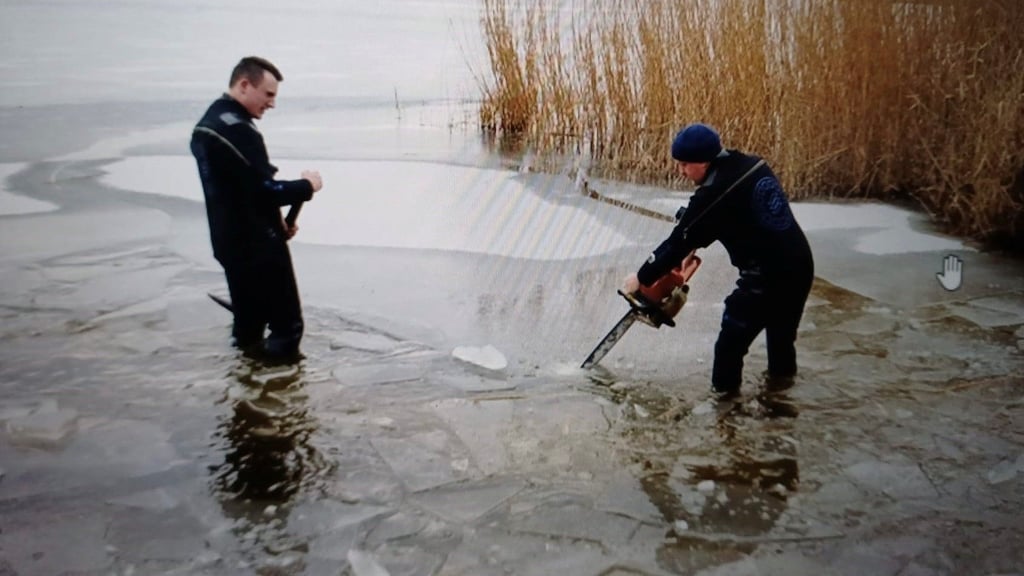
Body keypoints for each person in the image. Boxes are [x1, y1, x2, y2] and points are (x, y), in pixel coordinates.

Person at [624, 123, 814, 399]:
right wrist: (694, 232)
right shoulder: (752, 164)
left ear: (704, 161)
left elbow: (677, 242)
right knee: (781, 342)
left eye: (685, 164)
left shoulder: (715, 194)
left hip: (766, 278)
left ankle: (724, 410)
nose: (681, 171)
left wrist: (641, 278)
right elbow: (733, 215)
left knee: (729, 347)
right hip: (800, 265)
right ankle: (780, 405)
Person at [190, 56, 323, 359]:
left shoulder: (208, 125)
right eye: (268, 94)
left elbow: (239, 191)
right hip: (258, 246)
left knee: (249, 322)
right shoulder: (239, 130)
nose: (272, 104)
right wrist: (307, 186)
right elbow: (265, 191)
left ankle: (244, 379)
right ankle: (277, 386)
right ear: (244, 85)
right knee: (287, 327)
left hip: (228, 240)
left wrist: (277, 222)